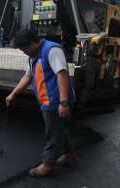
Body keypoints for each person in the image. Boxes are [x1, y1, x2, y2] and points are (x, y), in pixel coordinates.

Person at [6, 29, 76, 177]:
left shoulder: (52, 50)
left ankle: (47, 165)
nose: (24, 52)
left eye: (24, 48)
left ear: (32, 43)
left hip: (56, 101)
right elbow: (27, 77)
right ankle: (68, 155)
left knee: (52, 133)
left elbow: (62, 74)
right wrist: (13, 94)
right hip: (47, 101)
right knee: (59, 129)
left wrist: (63, 103)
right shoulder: (33, 56)